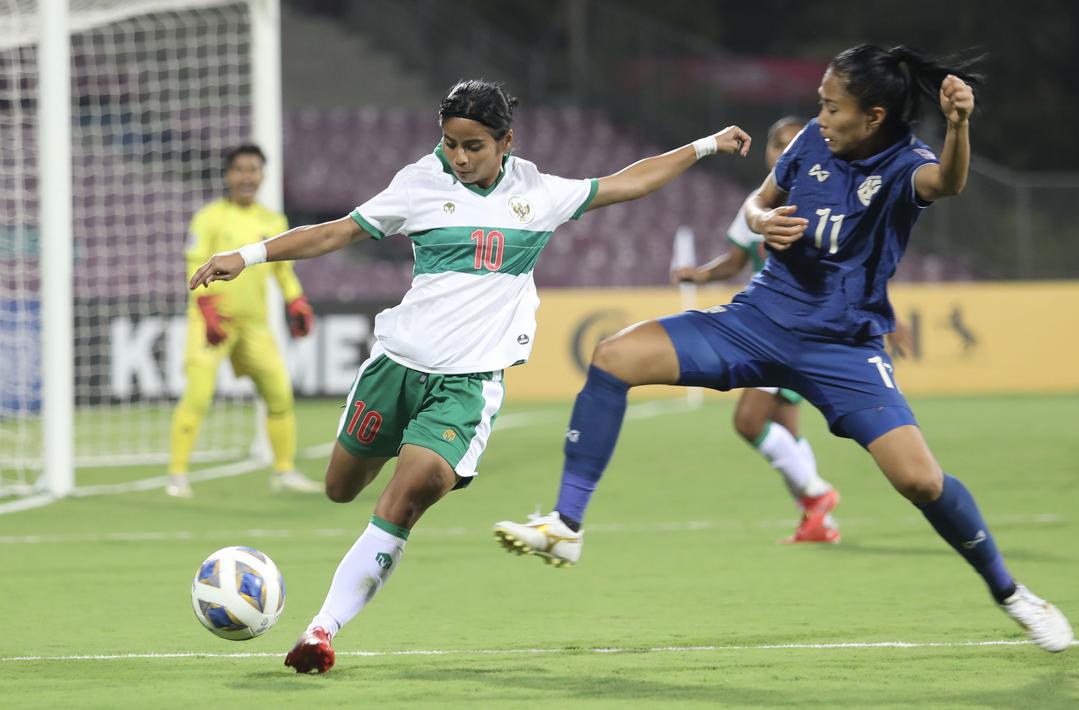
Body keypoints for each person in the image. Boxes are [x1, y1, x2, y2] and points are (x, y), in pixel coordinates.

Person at [494, 45, 1074, 653]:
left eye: (831, 107)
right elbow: (758, 202)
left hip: (843, 346)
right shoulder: (810, 145)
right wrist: (760, 220)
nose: (819, 117)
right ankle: (565, 525)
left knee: (922, 483)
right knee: (613, 356)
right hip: (759, 319)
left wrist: (958, 126)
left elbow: (949, 182)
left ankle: (1011, 593)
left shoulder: (907, 164)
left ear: (873, 116)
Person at [188, 79, 751, 673]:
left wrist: (706, 145)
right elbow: (339, 231)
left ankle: (321, 631)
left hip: (466, 386)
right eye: (451, 143)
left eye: (474, 146)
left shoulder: (539, 193)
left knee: (404, 498)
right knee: (340, 487)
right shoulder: (419, 183)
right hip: (396, 368)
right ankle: (344, 568)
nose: (459, 158)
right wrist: (248, 257)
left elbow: (629, 182)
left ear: (506, 141)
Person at [672, 116, 842, 544]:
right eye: (777, 145)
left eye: (793, 144)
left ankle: (818, 494)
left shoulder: (820, 200)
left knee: (749, 422)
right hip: (780, 325)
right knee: (786, 427)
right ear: (767, 152)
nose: (784, 152)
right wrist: (700, 275)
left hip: (789, 325)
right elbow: (734, 260)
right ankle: (819, 521)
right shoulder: (758, 202)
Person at [167, 144, 321, 498]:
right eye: (240, 170)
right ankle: (177, 476)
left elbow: (283, 272)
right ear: (228, 175)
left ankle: (283, 470)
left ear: (263, 175)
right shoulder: (210, 218)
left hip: (255, 326)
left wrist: (296, 301)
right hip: (212, 322)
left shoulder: (273, 221)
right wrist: (205, 309)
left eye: (253, 169)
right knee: (198, 396)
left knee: (279, 394)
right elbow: (194, 264)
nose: (247, 177)